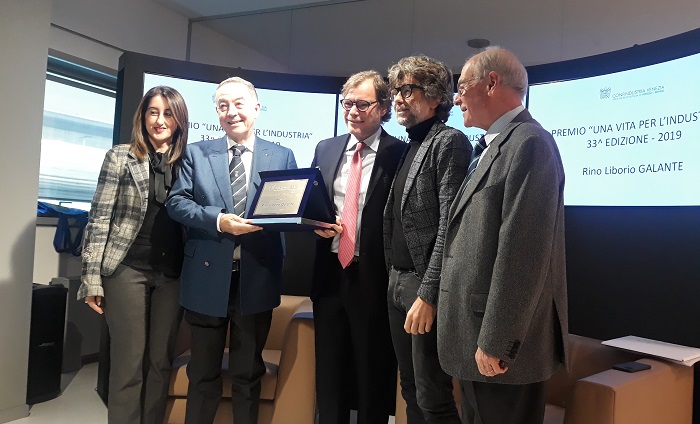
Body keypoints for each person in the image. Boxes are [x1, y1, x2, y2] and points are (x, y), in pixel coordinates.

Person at [438, 47, 569, 424]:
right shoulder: (494, 146)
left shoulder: (530, 143)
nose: (456, 98)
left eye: (462, 87)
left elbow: (524, 255)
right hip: (474, 339)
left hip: (500, 350)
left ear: (492, 82)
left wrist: (497, 340)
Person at [165, 76, 297, 424]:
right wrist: (219, 220)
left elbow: (291, 211)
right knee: (202, 373)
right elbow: (176, 203)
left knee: (247, 374)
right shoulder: (196, 153)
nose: (231, 112)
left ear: (257, 107)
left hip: (257, 278)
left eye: (239, 103)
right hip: (206, 277)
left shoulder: (282, 155)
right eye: (223, 105)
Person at [79, 86, 189, 424]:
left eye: (168, 113)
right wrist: (91, 279)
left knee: (160, 364)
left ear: (179, 120)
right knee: (128, 364)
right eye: (153, 112)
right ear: (143, 116)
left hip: (172, 274)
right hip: (126, 268)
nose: (160, 120)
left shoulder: (190, 162)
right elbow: (98, 219)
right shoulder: (120, 156)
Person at [310, 70, 404, 424]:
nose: (352, 111)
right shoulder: (326, 148)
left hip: (373, 277)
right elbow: (313, 203)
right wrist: (315, 223)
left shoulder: (400, 153)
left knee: (372, 374)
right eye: (347, 103)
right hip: (329, 272)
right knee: (329, 373)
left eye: (362, 104)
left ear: (383, 107)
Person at [383, 55, 471, 424]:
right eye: (396, 91)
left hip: (422, 286)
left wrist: (429, 294)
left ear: (435, 96)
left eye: (407, 90)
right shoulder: (411, 144)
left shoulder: (449, 142)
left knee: (433, 396)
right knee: (409, 388)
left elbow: (450, 226)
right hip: (397, 281)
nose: (398, 98)